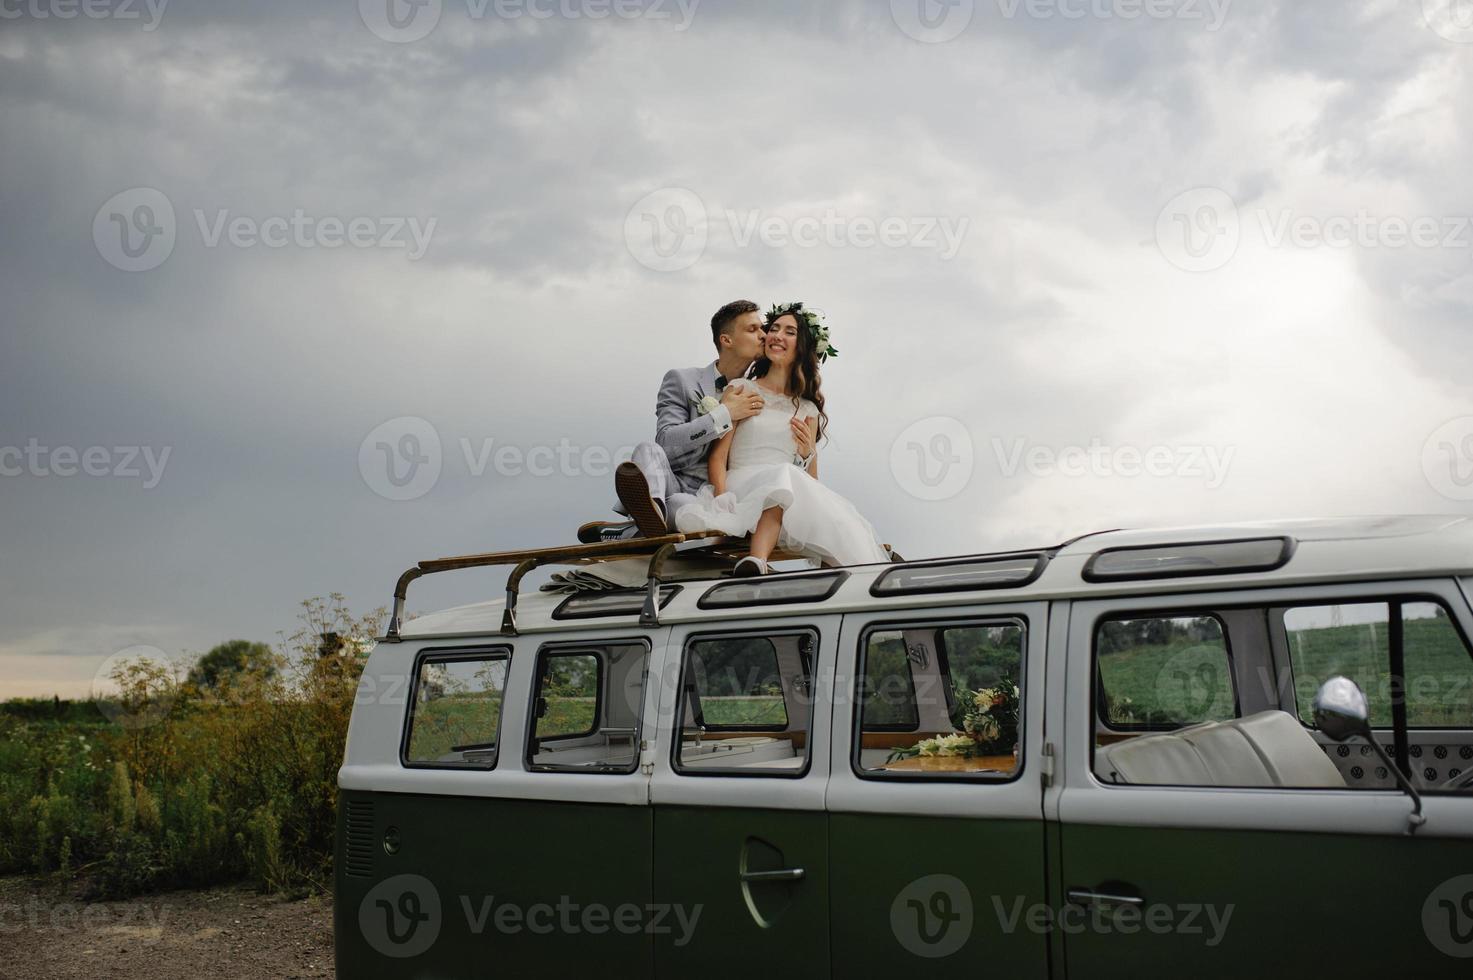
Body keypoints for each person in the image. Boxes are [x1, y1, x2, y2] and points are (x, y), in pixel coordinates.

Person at [674, 302, 890, 574]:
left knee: (832, 517)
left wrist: (805, 453)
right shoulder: (741, 389)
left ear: (802, 348)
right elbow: (717, 456)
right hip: (741, 487)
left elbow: (811, 481)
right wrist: (721, 495)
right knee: (782, 477)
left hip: (785, 492)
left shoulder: (807, 409)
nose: (776, 335)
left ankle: (844, 577)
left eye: (789, 332)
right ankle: (757, 561)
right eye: (774, 328)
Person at [589, 300, 771, 541]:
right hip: (669, 483)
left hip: (708, 499)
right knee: (648, 449)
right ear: (726, 340)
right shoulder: (682, 380)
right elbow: (667, 444)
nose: (763, 335)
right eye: (752, 329)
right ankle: (650, 513)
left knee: (682, 506)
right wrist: (723, 414)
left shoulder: (761, 393)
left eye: (762, 328)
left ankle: (634, 530)